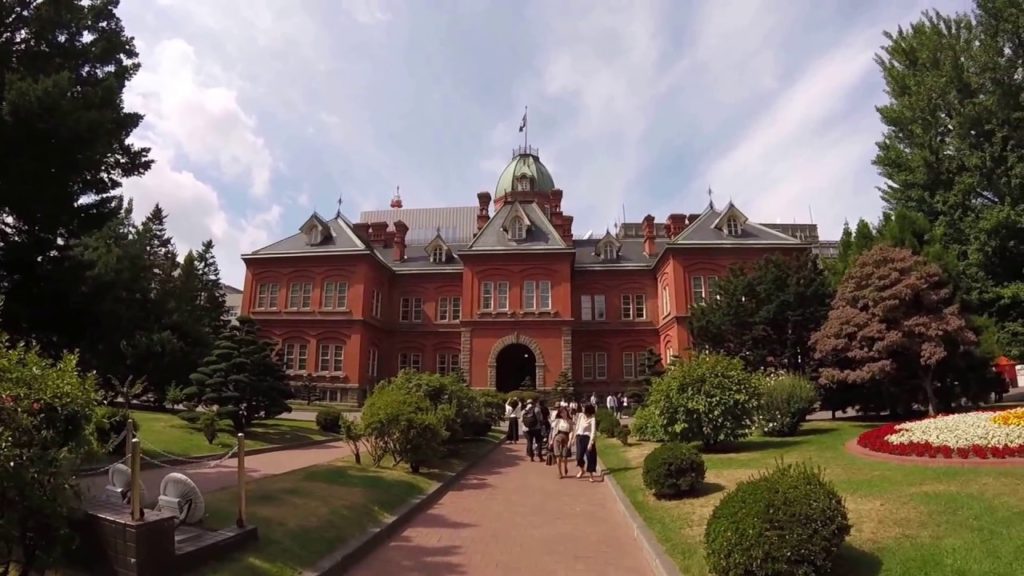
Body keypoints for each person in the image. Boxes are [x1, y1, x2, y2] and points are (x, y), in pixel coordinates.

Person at [570, 403, 599, 481]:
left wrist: (590, 443)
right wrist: (573, 438)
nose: (582, 409)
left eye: (584, 408)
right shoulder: (580, 416)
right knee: (579, 457)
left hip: (588, 438)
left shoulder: (592, 419)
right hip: (579, 437)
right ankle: (582, 470)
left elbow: (593, 432)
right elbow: (577, 427)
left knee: (590, 456)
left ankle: (591, 475)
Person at [549, 406, 573, 478]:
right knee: (558, 455)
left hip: (566, 438)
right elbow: (553, 431)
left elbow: (571, 431)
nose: (563, 414)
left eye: (564, 412)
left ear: (567, 412)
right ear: (560, 414)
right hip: (558, 437)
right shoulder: (558, 421)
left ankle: (565, 466)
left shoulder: (570, 421)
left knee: (565, 456)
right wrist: (551, 440)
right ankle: (559, 472)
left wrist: (570, 440)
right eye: (561, 413)